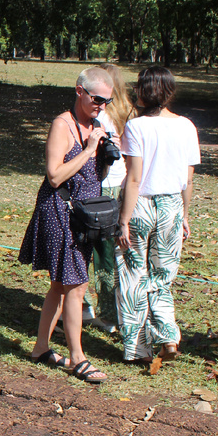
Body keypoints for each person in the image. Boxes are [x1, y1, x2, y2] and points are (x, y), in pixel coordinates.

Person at [20, 67, 111, 384]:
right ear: (79, 91)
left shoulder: (95, 125)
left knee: (61, 284)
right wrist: (88, 150)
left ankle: (41, 348)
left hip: (84, 215)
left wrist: (105, 154)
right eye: (97, 99)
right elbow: (55, 175)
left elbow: (93, 176)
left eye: (107, 101)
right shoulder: (62, 125)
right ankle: (77, 357)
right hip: (60, 209)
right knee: (76, 285)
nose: (101, 105)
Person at [115, 67, 198, 364]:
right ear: (171, 92)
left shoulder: (136, 127)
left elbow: (134, 179)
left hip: (140, 205)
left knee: (132, 274)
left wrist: (123, 220)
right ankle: (167, 334)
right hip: (172, 206)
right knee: (163, 276)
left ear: (141, 91)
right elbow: (188, 180)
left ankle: (137, 347)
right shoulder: (187, 126)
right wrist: (185, 215)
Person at [86, 63, 134, 334]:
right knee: (113, 254)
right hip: (120, 188)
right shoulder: (128, 114)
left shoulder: (100, 117)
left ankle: (107, 314)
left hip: (101, 190)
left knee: (100, 254)